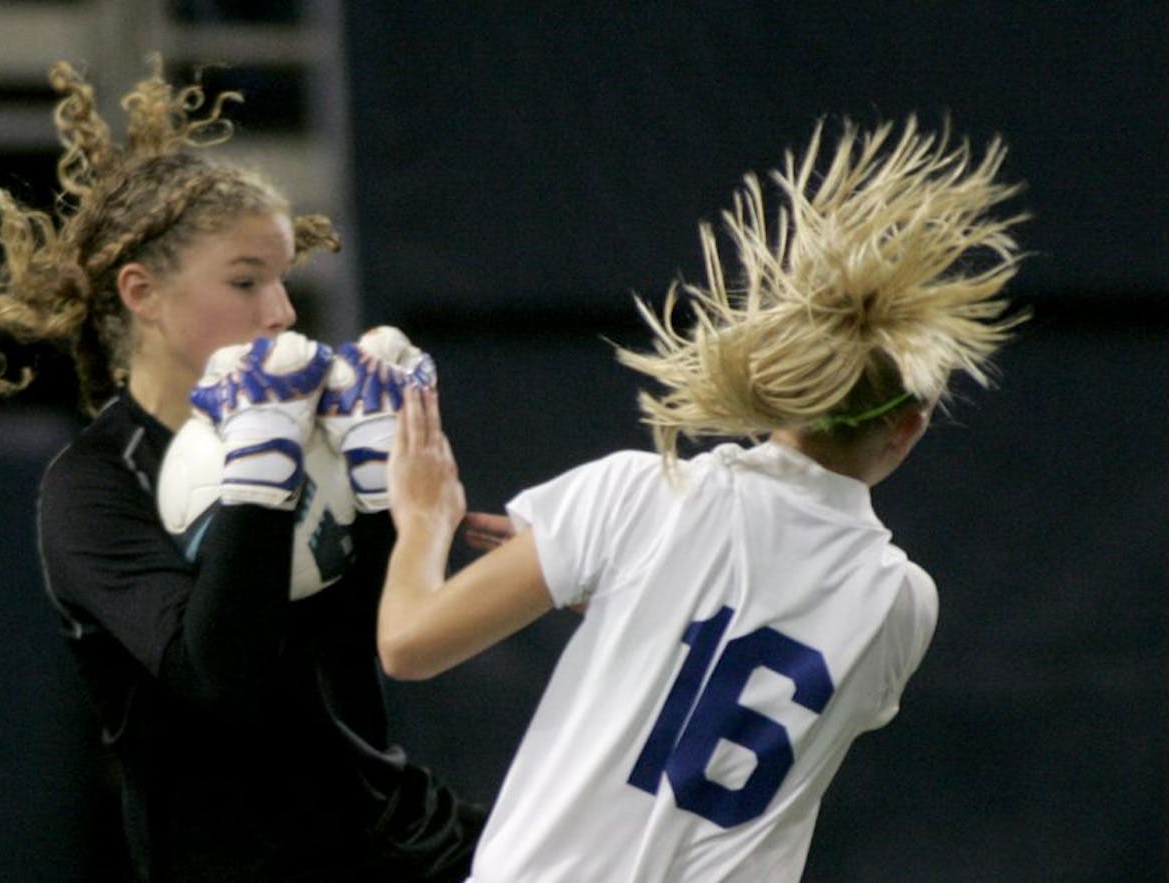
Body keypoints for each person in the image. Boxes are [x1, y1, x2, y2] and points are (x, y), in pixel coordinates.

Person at [378, 116, 1026, 881]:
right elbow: (736, 677)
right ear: (909, 426)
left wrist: (422, 521)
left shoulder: (647, 493)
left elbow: (409, 644)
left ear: (774, 380)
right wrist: (638, 598)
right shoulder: (902, 604)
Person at [0, 57, 483, 882]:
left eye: (283, 279)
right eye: (245, 281)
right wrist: (261, 473)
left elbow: (378, 645)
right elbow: (216, 679)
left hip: (414, 849)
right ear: (142, 292)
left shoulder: (313, 419)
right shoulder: (92, 486)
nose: (283, 311)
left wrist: (389, 489)